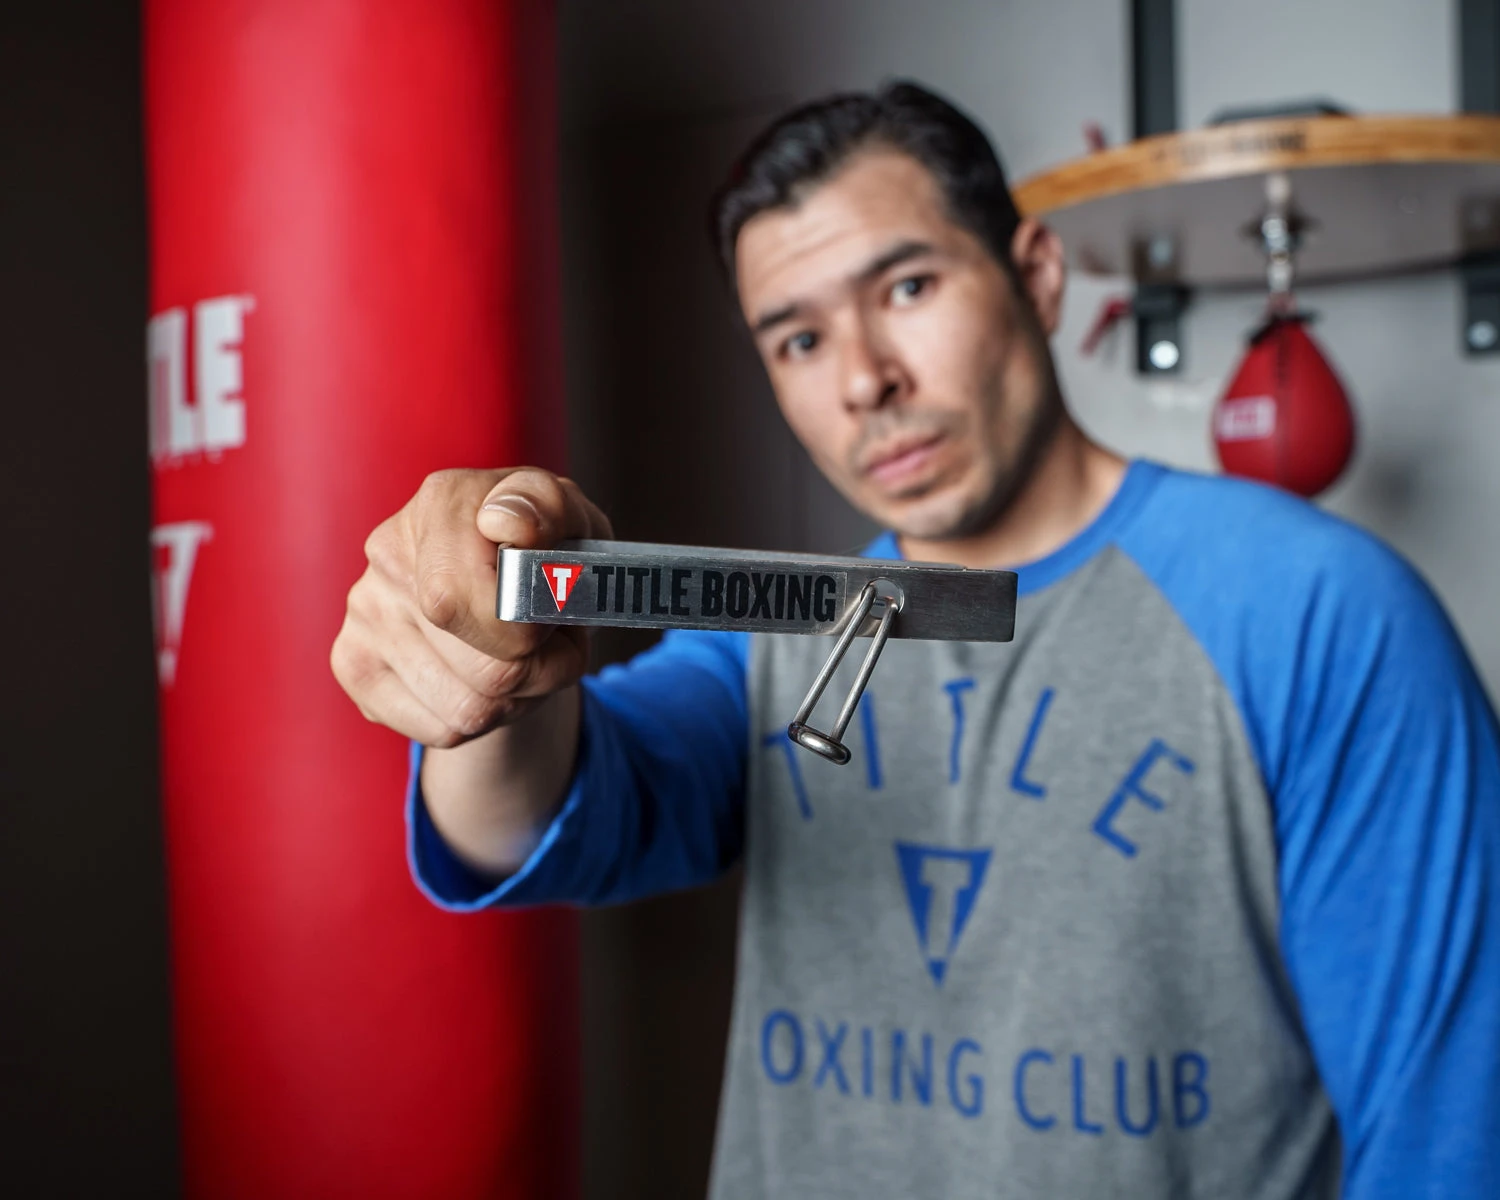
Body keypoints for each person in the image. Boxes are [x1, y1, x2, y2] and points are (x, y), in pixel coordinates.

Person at [331, 81, 1500, 1198]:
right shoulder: (789, 639)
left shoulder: (1316, 611)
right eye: (797, 339)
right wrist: (488, 670)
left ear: (1036, 276)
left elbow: (1444, 1131)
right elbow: (537, 821)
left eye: (906, 287)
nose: (864, 381)